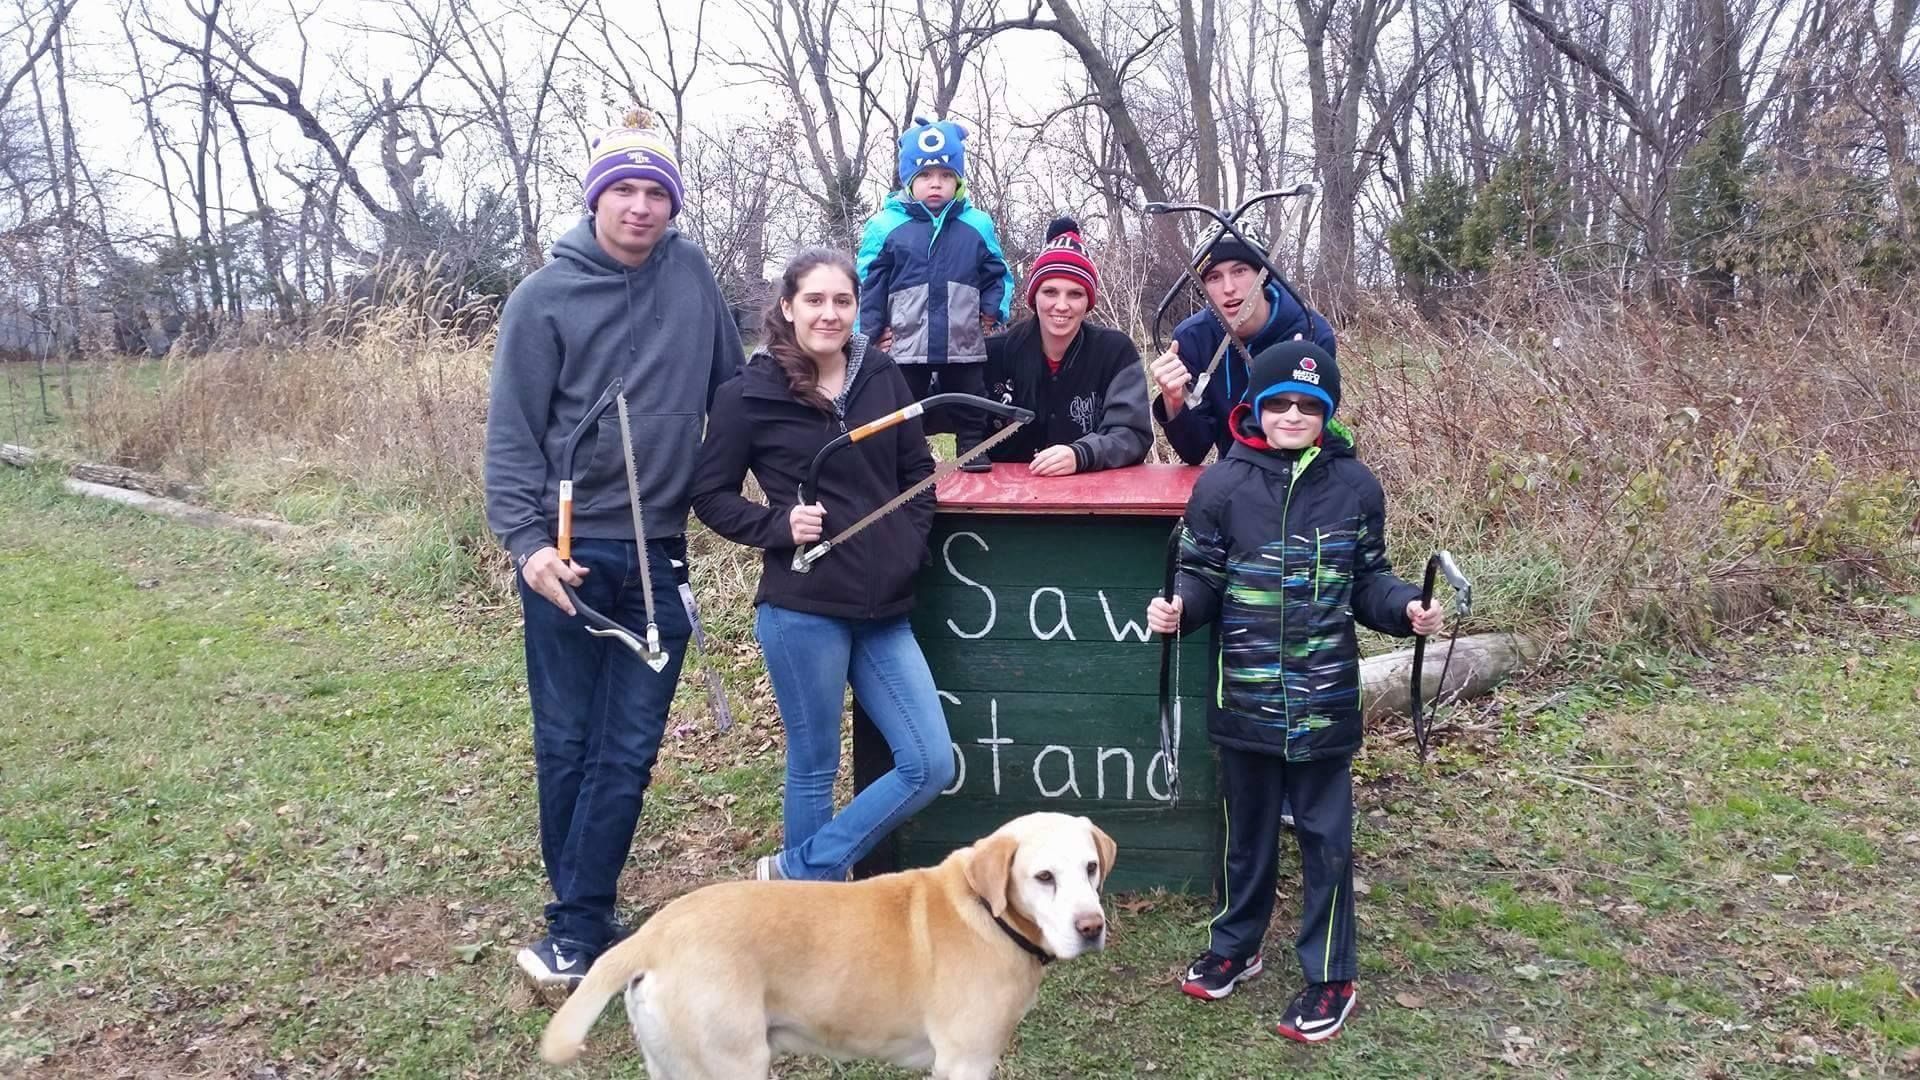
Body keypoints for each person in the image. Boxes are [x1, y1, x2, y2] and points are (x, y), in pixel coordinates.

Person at [484, 110, 742, 1000]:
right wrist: (527, 549)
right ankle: (582, 922)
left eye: (656, 193)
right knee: (567, 742)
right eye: (624, 191)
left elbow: (732, 395)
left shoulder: (694, 277)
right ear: (596, 199)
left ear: (673, 205)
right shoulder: (542, 299)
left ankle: (576, 925)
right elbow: (513, 439)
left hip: (658, 549)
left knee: (628, 748)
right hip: (571, 553)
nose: (640, 207)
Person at [1144, 340, 1443, 1043]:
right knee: (1244, 837)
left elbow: (1369, 579)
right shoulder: (1220, 486)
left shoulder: (1356, 486)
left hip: (1323, 703)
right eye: (1278, 402)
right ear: (1255, 406)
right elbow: (1201, 577)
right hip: (1243, 699)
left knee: (1324, 838)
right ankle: (1236, 943)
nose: (1292, 414)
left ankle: (1330, 974)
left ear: (1326, 413)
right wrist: (1179, 608)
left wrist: (1404, 608)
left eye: (1308, 405)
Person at [691, 248, 955, 882]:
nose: (829, 314)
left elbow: (918, 474)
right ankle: (808, 915)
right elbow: (709, 495)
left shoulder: (882, 375)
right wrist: (777, 526)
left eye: (842, 301)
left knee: (930, 762)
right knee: (813, 763)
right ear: (787, 307)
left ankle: (802, 869)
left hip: (884, 609)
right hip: (802, 608)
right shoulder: (748, 394)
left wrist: (904, 545)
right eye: (815, 300)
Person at [856, 115, 1013, 470]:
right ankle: (909, 459)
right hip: (906, 339)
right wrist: (868, 335)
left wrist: (993, 309)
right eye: (924, 176)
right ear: (909, 180)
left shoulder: (977, 223)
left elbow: (997, 272)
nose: (935, 184)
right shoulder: (886, 225)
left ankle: (971, 448)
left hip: (963, 335)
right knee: (902, 401)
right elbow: (869, 283)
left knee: (972, 396)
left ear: (958, 179)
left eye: (945, 176)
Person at [980, 217, 1150, 474]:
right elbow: (940, 412)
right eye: (1050, 292)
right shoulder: (993, 352)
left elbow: (1132, 435)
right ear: (1033, 297)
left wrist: (1082, 454)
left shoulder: (1115, 351)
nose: (1061, 305)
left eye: (1075, 294)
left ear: (1088, 301)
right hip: (1001, 503)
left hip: (1092, 504)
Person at [1148, 232, 1337, 465]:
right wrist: (1174, 401)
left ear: (1263, 274)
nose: (1229, 288)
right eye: (1214, 277)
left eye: (1240, 271)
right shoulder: (1192, 338)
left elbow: (1311, 433)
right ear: (1202, 288)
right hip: (1234, 475)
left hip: (1300, 471)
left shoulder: (1311, 333)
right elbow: (1193, 450)